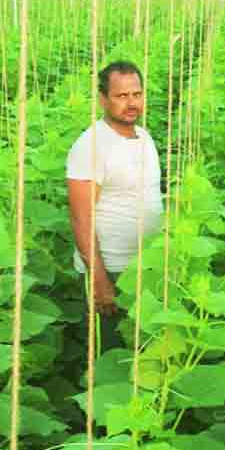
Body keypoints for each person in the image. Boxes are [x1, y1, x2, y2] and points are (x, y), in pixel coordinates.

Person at [66, 60, 163, 349]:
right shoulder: (91, 145)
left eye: (136, 94)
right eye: (121, 96)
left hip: (146, 269)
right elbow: (81, 219)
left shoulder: (144, 138)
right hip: (113, 271)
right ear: (102, 99)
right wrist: (100, 281)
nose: (131, 103)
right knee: (112, 357)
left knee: (143, 354)